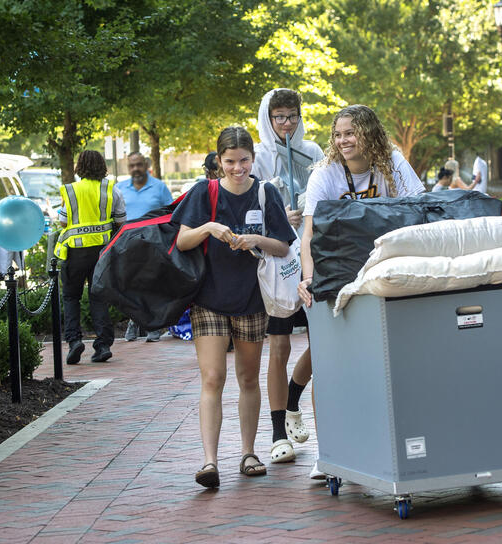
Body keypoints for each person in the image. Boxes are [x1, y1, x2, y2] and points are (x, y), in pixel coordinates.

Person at [298, 104, 425, 478]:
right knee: (331, 364)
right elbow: (309, 235)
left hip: (385, 270)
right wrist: (308, 278)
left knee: (388, 361)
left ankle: (386, 444)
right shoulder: (325, 174)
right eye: (337, 135)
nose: (343, 141)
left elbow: (419, 212)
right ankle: (329, 454)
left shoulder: (393, 163)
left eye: (350, 133)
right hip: (337, 270)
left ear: (368, 133)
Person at [172, 126, 295, 489]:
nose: (237, 168)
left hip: (252, 299)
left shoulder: (265, 192)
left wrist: (256, 239)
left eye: (244, 161)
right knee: (212, 377)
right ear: (218, 161)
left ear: (253, 159)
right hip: (208, 298)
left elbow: (285, 246)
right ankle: (209, 461)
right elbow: (181, 241)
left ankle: (247, 452)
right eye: (229, 162)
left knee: (246, 378)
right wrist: (210, 227)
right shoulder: (203, 192)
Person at [252, 88, 324, 466]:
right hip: (280, 265)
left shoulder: (313, 152)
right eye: (278, 116)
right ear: (268, 118)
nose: (286, 123)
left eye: (292, 116)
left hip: (312, 260)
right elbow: (252, 207)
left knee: (322, 343)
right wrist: (281, 216)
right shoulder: (260, 157)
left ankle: (295, 397)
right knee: (278, 348)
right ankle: (279, 432)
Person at [55, 150, 126, 364]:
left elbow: (62, 221)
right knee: (98, 297)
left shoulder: (71, 191)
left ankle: (74, 341)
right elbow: (122, 221)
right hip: (102, 253)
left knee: (71, 297)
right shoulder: (111, 189)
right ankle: (103, 345)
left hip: (75, 253)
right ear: (102, 166)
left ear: (79, 167)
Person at [117, 152, 174, 342]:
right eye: (132, 166)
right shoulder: (119, 188)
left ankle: (153, 327)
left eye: (139, 165)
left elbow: (171, 213)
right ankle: (134, 321)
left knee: (151, 285)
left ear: (146, 164)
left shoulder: (159, 188)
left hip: (154, 244)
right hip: (127, 244)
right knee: (131, 286)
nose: (136, 169)